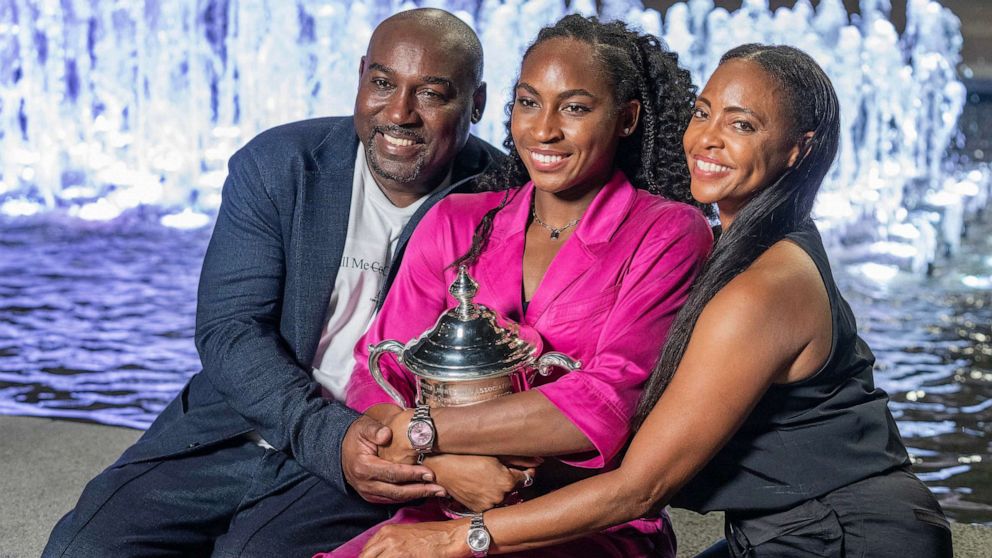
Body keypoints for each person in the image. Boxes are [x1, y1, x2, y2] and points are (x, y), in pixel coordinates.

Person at [358, 45, 954, 558]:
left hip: (851, 536)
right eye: (703, 113)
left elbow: (641, 489)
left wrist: (456, 537)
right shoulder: (743, 243)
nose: (708, 139)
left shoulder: (764, 289)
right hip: (786, 531)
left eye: (743, 125)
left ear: (798, 150)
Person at [42, 9, 504, 557]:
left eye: (430, 93)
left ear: (475, 103)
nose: (399, 113)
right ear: (360, 76)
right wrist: (324, 434)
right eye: (382, 83)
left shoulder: (505, 198)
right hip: (237, 427)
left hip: (381, 447)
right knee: (83, 548)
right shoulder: (280, 164)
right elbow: (230, 329)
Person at [319, 14, 712, 558]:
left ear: (626, 118)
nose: (544, 129)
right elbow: (375, 376)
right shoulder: (456, 221)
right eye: (529, 102)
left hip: (582, 522)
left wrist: (424, 432)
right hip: (438, 504)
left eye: (574, 108)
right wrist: (441, 463)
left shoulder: (667, 232)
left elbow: (606, 405)